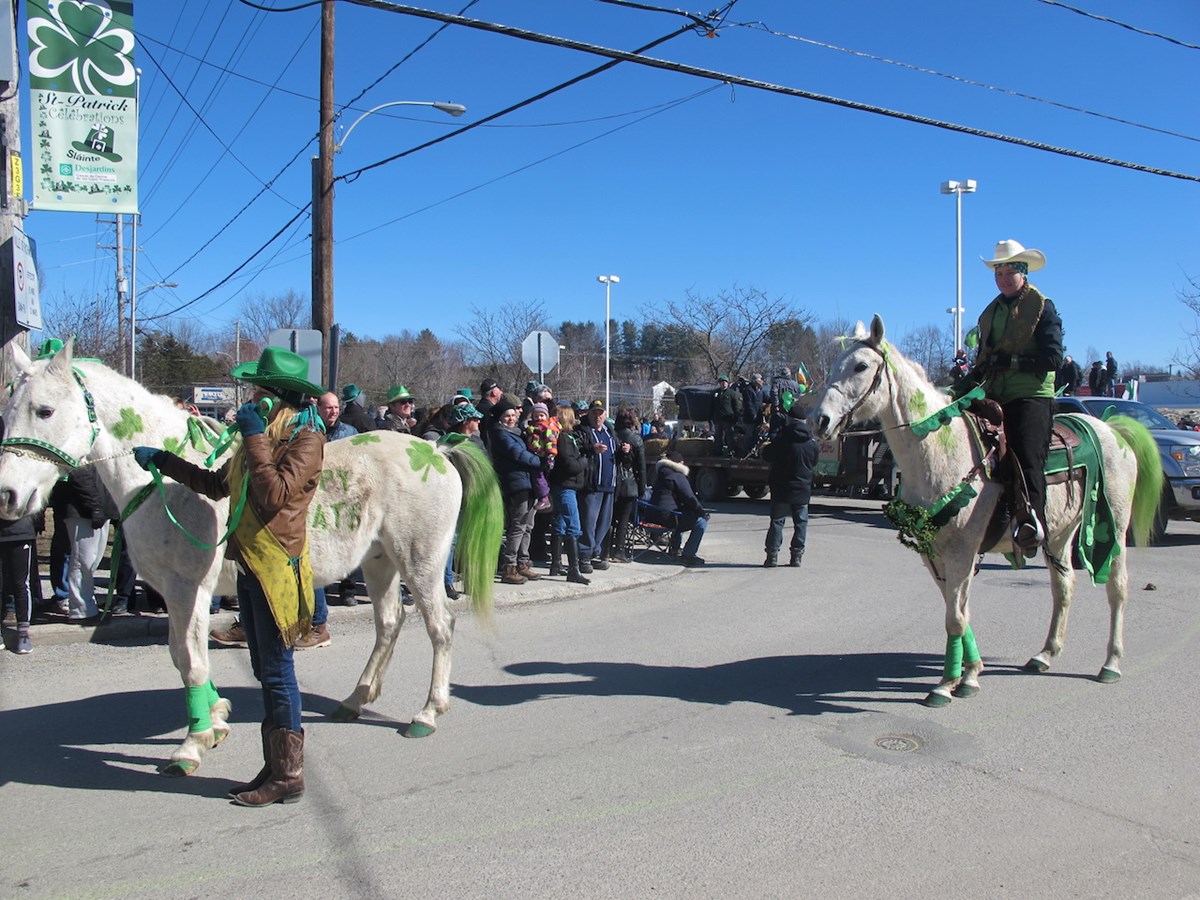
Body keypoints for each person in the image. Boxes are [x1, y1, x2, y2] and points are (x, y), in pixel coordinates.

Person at [133, 346, 326, 807]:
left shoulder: (305, 439)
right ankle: (277, 764)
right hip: (250, 566)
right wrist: (163, 461)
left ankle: (289, 777)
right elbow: (218, 485)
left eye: (258, 389)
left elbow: (272, 495)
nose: (250, 396)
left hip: (277, 568)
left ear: (275, 397)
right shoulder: (261, 435)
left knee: (278, 674)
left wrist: (255, 437)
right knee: (265, 671)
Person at [972, 239, 1064, 557]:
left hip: (1031, 394)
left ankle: (1030, 523)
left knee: (1025, 454)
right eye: (998, 272)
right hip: (996, 391)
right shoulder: (990, 314)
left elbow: (1053, 358)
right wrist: (959, 390)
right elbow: (983, 361)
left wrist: (1012, 363)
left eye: (1009, 272)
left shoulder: (1042, 307)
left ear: (1023, 273)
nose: (1003, 278)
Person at [294, 392, 360, 651]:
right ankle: (313, 623)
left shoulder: (349, 432)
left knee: (313, 564)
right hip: (313, 504)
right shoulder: (308, 430)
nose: (333, 411)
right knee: (309, 563)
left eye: (335, 407)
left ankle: (320, 623)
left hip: (337, 505)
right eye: (328, 407)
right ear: (317, 408)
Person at [48, 466, 116, 622]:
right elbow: (80, 475)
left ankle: (85, 603)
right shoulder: (80, 451)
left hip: (97, 508)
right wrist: (95, 507)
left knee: (92, 560)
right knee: (82, 560)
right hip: (80, 510)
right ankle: (81, 610)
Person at [488, 396, 543, 585]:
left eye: (513, 414)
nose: (511, 418)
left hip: (528, 482)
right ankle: (509, 566)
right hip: (515, 483)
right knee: (518, 525)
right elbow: (517, 454)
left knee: (528, 525)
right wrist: (539, 462)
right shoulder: (499, 434)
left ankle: (523, 562)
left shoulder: (518, 432)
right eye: (507, 415)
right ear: (500, 418)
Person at [437, 403, 486, 598]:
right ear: (465, 422)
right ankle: (446, 581)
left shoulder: (477, 441)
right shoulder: (447, 443)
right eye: (475, 419)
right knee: (451, 540)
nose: (479, 421)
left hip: (475, 496)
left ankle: (473, 580)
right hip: (455, 497)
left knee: (471, 539)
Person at [761, 406, 819, 567]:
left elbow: (767, 455)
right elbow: (814, 461)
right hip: (803, 488)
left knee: (777, 522)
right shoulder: (811, 442)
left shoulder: (782, 439)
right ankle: (797, 556)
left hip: (781, 488)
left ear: (790, 420)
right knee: (801, 523)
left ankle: (772, 556)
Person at [545, 405, 590, 585]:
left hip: (562, 485)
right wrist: (585, 459)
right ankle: (574, 569)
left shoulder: (563, 437)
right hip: (565, 486)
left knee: (560, 523)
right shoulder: (564, 438)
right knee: (574, 525)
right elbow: (570, 465)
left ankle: (556, 564)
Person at [647, 450, 709, 567]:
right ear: (679, 463)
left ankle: (675, 549)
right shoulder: (677, 476)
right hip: (666, 517)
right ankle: (688, 555)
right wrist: (702, 512)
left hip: (652, 515)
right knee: (701, 522)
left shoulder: (661, 474)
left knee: (681, 514)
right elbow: (690, 497)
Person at [576, 399, 617, 573]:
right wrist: (592, 449)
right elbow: (576, 449)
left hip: (609, 484)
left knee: (603, 523)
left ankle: (595, 553)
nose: (598, 416)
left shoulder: (609, 432)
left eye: (601, 413)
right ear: (589, 414)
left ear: (605, 415)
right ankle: (584, 555)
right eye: (594, 412)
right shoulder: (582, 431)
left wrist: (625, 451)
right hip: (591, 484)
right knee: (588, 522)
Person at [608, 408, 647, 563]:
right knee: (624, 521)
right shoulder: (636, 439)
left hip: (612, 482)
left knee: (610, 519)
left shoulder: (612, 436)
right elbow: (641, 466)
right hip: (629, 484)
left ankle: (605, 550)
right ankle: (619, 551)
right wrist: (642, 487)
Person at [712, 375, 742, 456]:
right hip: (718, 419)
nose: (723, 384)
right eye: (722, 382)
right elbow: (711, 406)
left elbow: (736, 407)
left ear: (728, 383)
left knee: (729, 436)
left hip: (728, 419)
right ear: (719, 383)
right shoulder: (715, 393)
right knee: (718, 436)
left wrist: (736, 418)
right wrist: (711, 418)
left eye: (725, 382)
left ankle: (730, 451)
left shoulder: (732, 393)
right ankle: (718, 451)